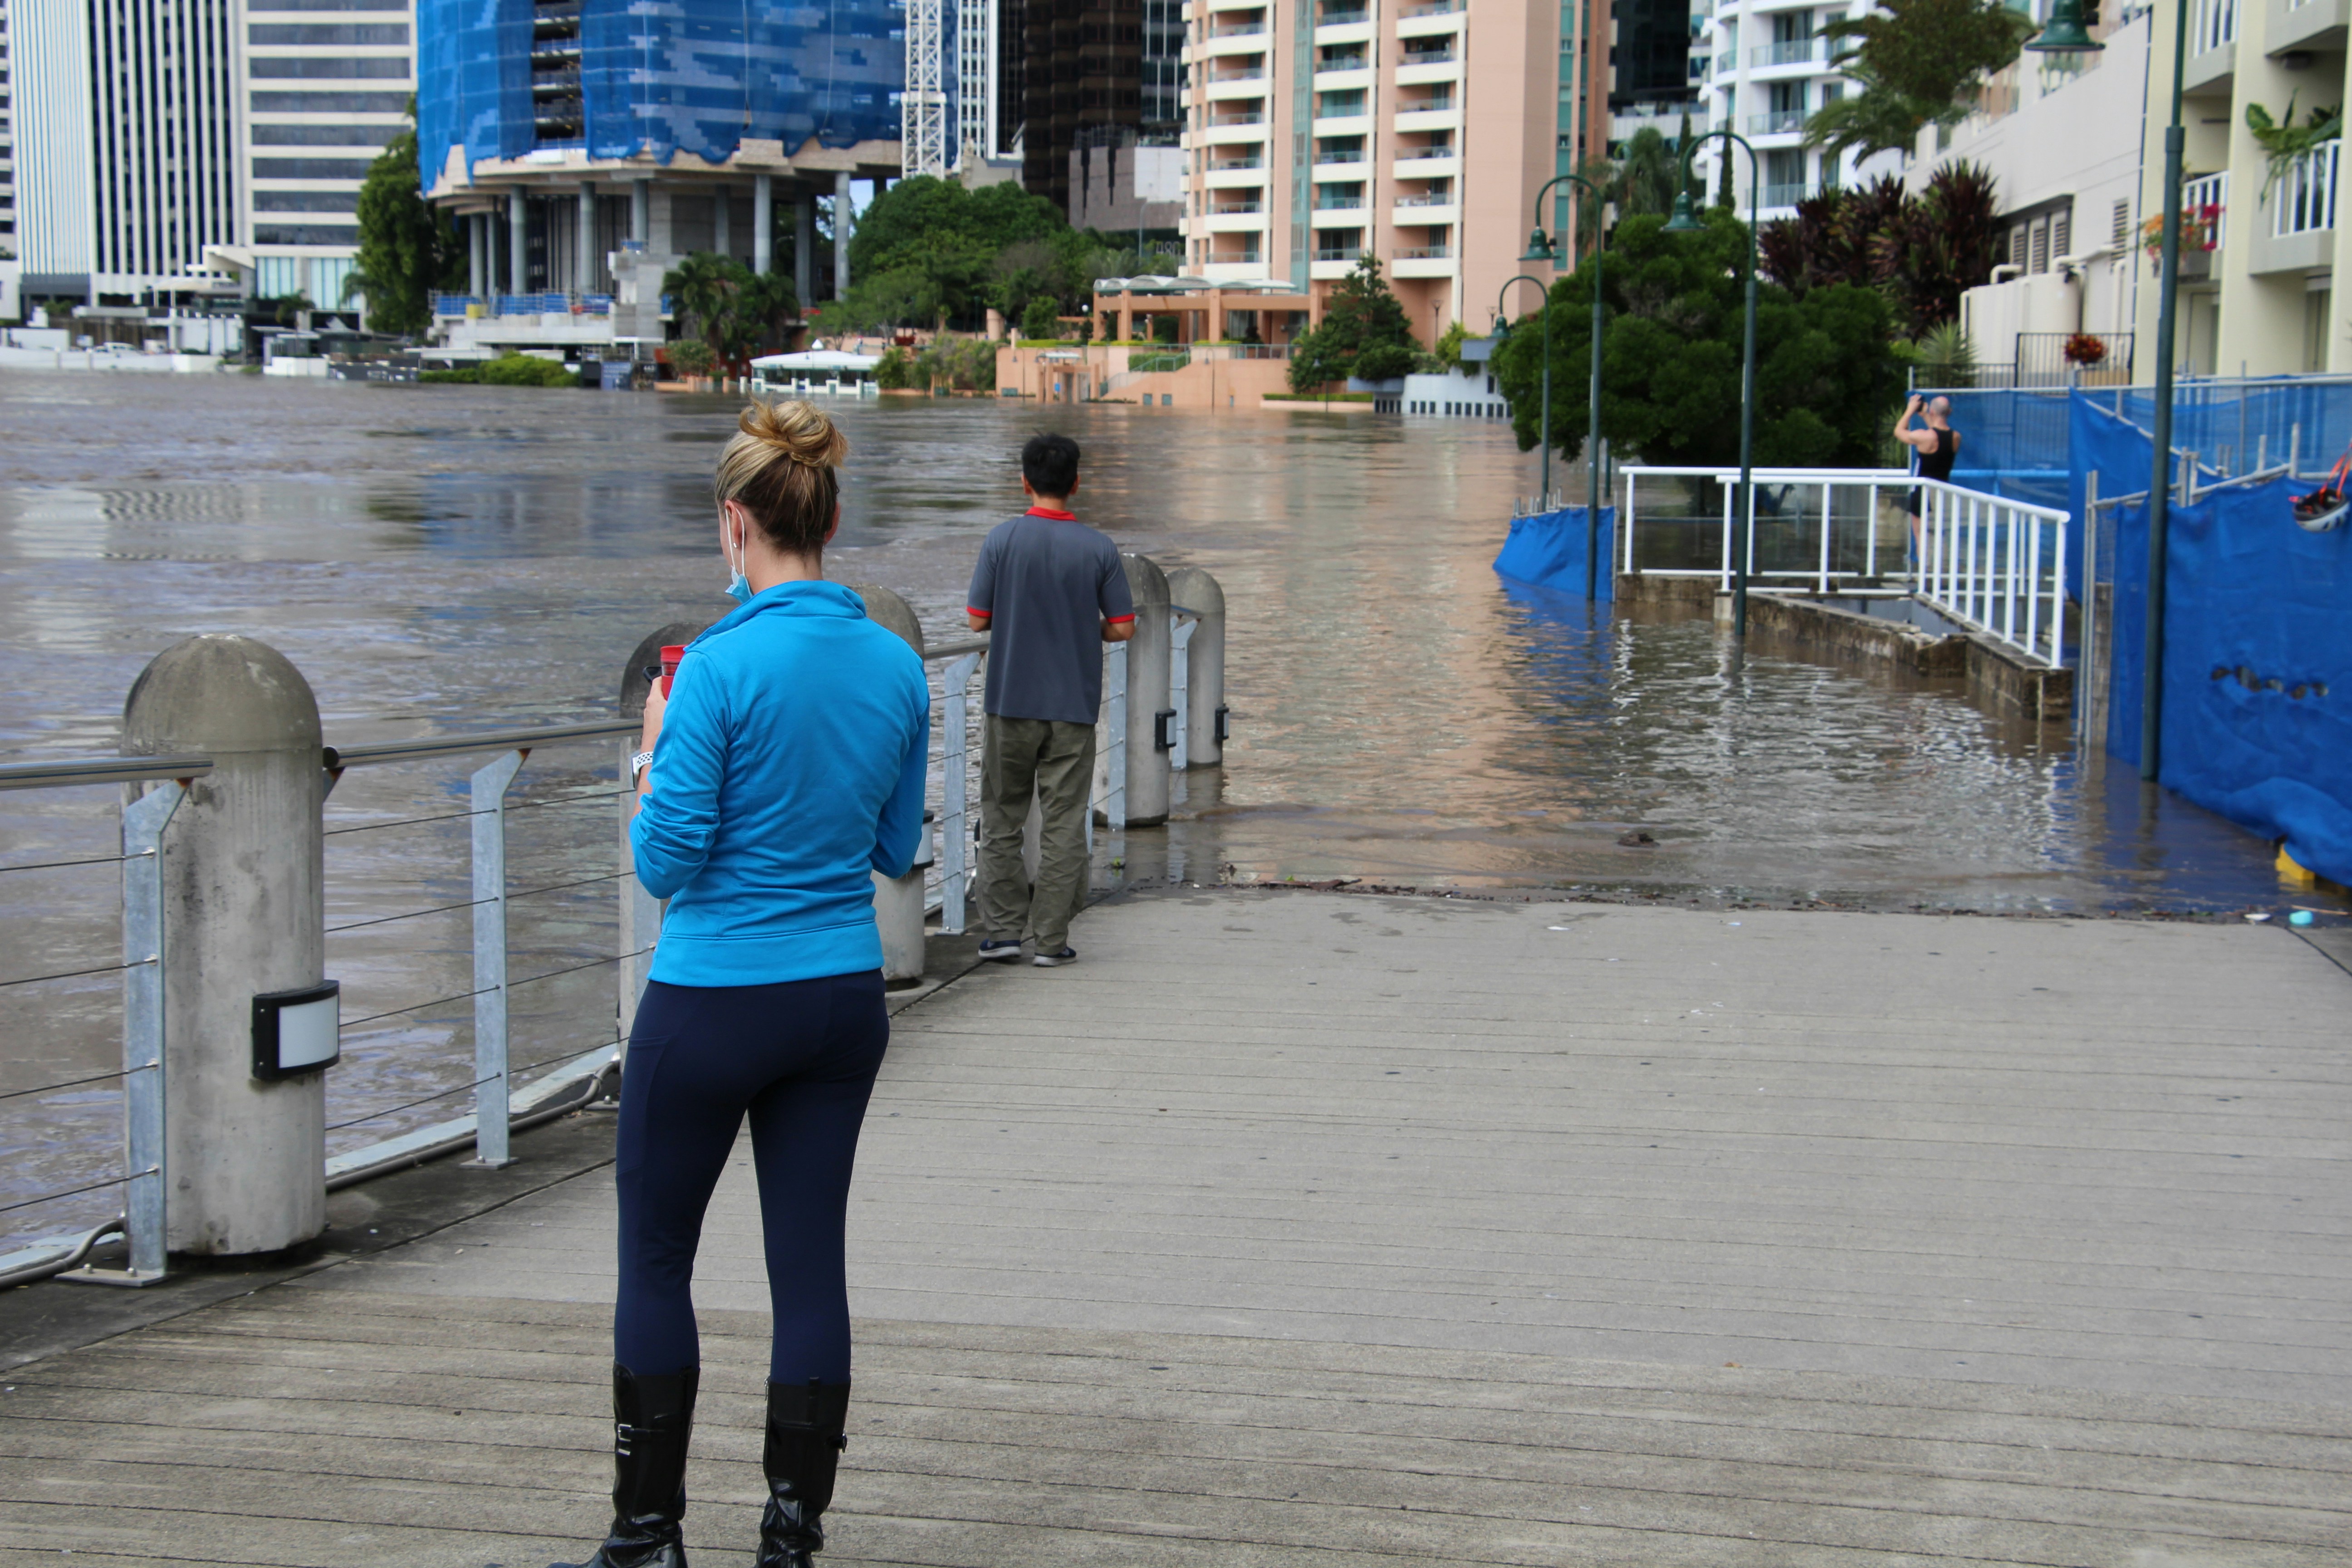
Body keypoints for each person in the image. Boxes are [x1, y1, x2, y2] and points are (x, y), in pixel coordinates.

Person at [556, 401, 930, 1568]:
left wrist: (653, 752)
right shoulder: (897, 663)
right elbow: (894, 842)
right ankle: (788, 1540)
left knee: (656, 1257)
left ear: (734, 522)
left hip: (714, 997)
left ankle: (646, 1537)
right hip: (838, 1001)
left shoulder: (712, 670)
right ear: (825, 514)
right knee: (808, 1262)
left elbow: (664, 861)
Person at [963, 432, 1136, 967]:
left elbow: (976, 620)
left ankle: (1004, 932)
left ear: (1024, 481)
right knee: (1064, 822)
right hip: (1072, 708)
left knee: (1001, 819)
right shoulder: (1099, 549)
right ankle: (1053, 941)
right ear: (1077, 484)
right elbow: (1125, 628)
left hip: (1009, 700)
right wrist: (1089, 633)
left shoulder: (1002, 540)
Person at [1896, 393, 1960, 564]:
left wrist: (1910, 411)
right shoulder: (1956, 437)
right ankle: (1939, 571)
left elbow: (1899, 432)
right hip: (1943, 490)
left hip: (1922, 490)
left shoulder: (1924, 436)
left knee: (1921, 536)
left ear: (1932, 411)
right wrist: (1926, 415)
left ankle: (1925, 574)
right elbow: (1940, 435)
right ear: (1950, 412)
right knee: (1939, 534)